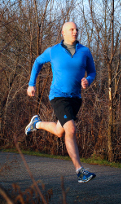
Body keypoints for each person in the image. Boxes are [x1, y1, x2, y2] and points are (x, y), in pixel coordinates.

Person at [25, 21, 96, 183]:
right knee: (70, 129)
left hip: (76, 98)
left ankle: (36, 124)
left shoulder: (84, 51)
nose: (75, 32)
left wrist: (88, 81)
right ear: (63, 32)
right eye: (71, 29)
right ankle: (80, 171)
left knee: (60, 131)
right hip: (58, 96)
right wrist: (31, 84)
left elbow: (92, 71)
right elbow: (37, 62)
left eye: (76, 29)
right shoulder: (53, 51)